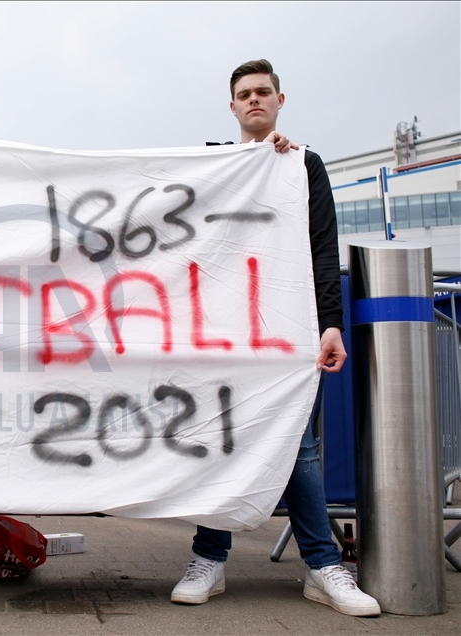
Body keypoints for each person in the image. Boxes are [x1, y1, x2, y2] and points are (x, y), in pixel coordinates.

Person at [169, 59, 381, 617]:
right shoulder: (219, 161)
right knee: (224, 438)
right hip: (224, 329)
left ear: (280, 100)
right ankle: (210, 558)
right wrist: (253, 160)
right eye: (245, 94)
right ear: (232, 106)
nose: (255, 101)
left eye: (264, 92)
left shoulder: (302, 166)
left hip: (286, 326)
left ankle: (323, 566)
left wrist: (329, 320)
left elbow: (322, 245)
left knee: (298, 446)